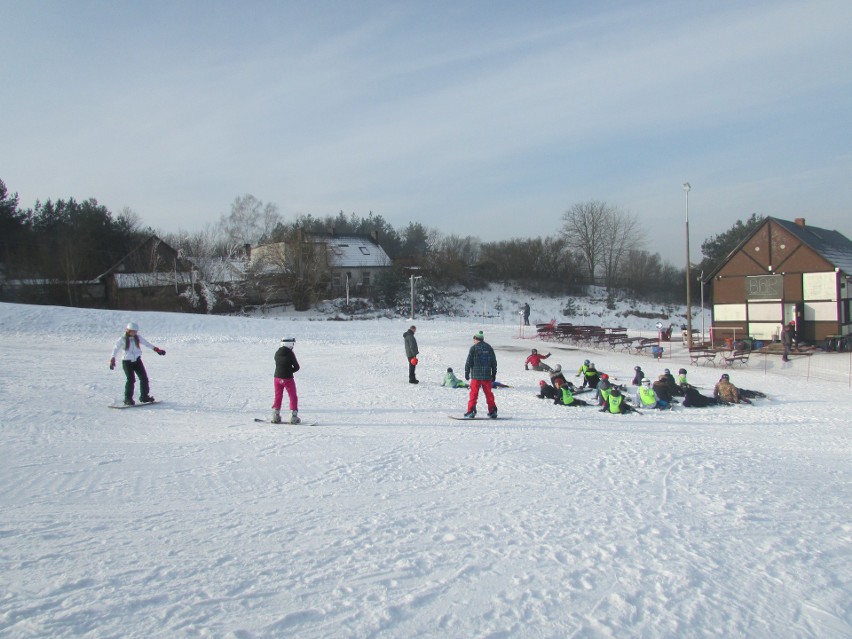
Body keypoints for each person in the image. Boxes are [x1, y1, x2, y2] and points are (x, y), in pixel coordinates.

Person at [109, 321, 166, 405]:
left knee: (144, 378)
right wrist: (112, 359)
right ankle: (128, 399)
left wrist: (157, 350)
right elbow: (115, 349)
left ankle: (144, 397)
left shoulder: (138, 338)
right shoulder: (122, 339)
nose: (134, 333)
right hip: (127, 362)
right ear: (128, 330)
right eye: (133, 331)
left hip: (137, 361)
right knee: (131, 379)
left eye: (136, 331)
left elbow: (147, 344)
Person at [463, 331, 498, 418]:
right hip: (486, 375)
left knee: (474, 394)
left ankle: (471, 411)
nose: (473, 341)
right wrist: (494, 373)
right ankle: (493, 410)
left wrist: (467, 372)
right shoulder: (489, 348)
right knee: (489, 394)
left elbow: (469, 362)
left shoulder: (473, 348)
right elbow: (494, 362)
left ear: (476, 339)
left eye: (474, 339)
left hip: (476, 376)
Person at [272, 337, 300, 423]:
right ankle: (293, 417)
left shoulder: (277, 352)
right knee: (293, 396)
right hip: (288, 379)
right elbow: (297, 367)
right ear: (289, 344)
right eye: (292, 343)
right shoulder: (290, 353)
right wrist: (289, 371)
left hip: (277, 378)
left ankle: (275, 415)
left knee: (278, 396)